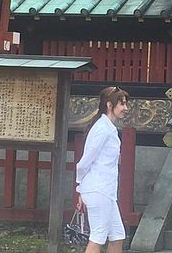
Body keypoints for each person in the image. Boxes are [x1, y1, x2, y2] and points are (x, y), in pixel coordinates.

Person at [75, 87, 130, 253]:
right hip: (99, 190)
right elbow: (85, 161)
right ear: (109, 105)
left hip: (106, 192)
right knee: (98, 237)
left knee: (117, 235)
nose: (126, 108)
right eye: (122, 104)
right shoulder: (102, 129)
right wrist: (80, 186)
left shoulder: (108, 128)